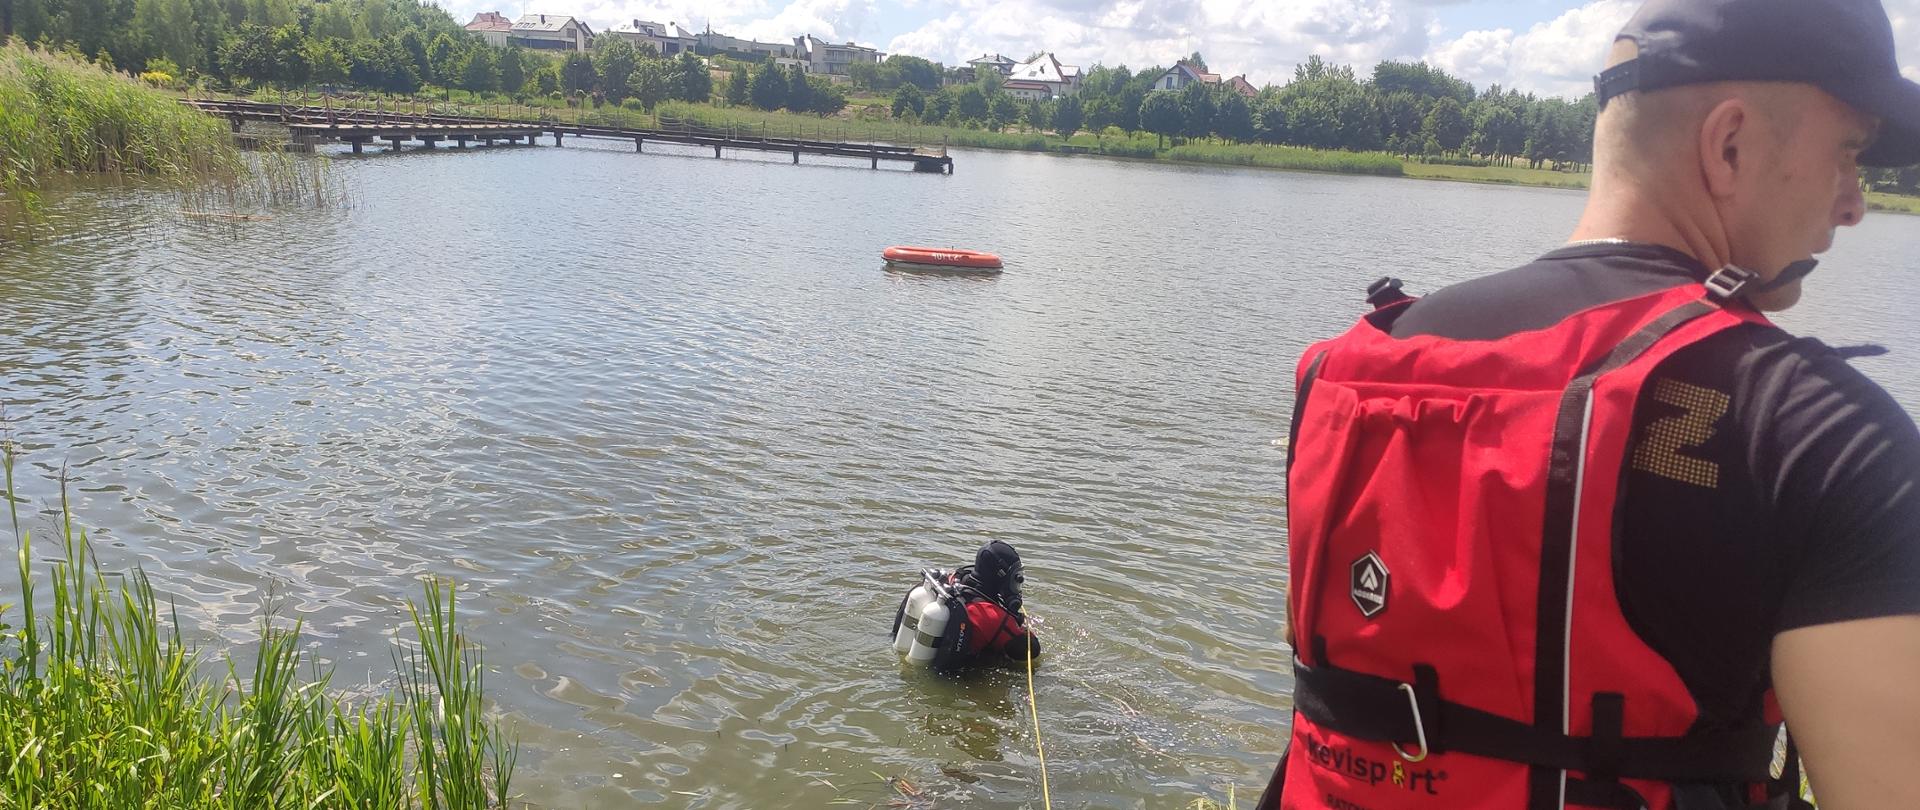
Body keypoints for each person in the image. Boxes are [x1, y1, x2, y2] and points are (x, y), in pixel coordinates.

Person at [1257, 1, 1920, 808]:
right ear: (1730, 144)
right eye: (1849, 153)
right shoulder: (1815, 431)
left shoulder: (1341, 375)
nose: (1854, 203)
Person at [892, 540, 1041, 673]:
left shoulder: (950, 580)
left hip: (915, 649)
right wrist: (1021, 621)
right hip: (951, 677)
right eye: (1015, 577)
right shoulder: (994, 618)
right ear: (1001, 576)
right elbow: (1030, 650)